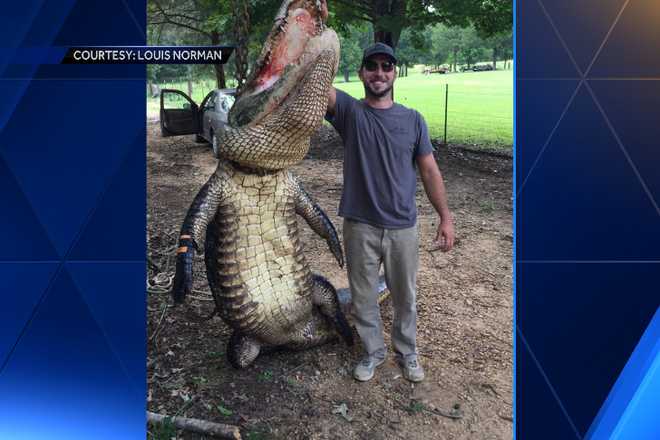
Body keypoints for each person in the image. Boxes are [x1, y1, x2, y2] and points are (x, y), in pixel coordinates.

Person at [326, 42, 455, 382]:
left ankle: (407, 352)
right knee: (363, 295)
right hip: (360, 224)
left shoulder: (413, 120)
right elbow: (318, 86)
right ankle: (373, 352)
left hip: (402, 227)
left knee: (405, 296)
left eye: (386, 66)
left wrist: (445, 217)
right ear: (361, 73)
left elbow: (429, 171)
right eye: (372, 66)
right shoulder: (351, 113)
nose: (379, 73)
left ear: (395, 72)